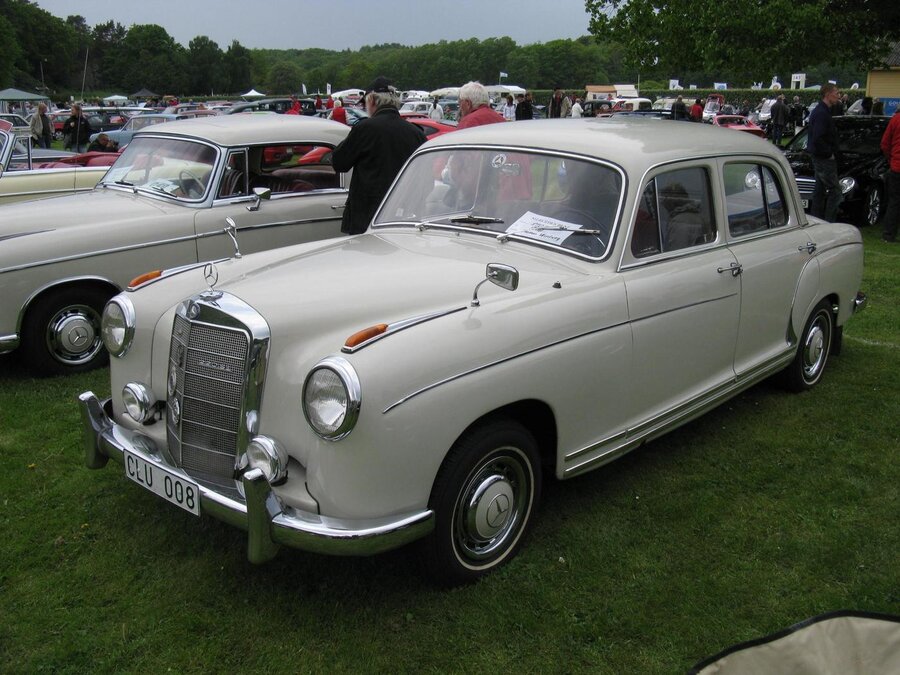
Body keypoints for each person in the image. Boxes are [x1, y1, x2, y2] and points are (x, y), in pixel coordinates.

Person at [331, 76, 426, 235]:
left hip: (368, 216)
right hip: (404, 215)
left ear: (372, 101)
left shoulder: (365, 129)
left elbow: (339, 162)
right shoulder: (416, 133)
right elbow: (425, 177)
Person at [808, 83, 843, 222]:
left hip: (820, 156)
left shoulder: (823, 111)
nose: (838, 96)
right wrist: (829, 153)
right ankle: (829, 221)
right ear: (828, 94)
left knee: (819, 190)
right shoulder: (822, 113)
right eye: (836, 93)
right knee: (836, 191)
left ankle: (816, 219)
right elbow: (818, 138)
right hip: (823, 158)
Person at [880, 108, 900, 242]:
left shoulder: (895, 119)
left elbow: (884, 143)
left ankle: (888, 234)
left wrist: (891, 158)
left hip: (896, 166)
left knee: (894, 202)